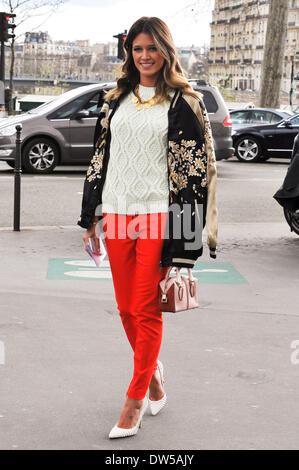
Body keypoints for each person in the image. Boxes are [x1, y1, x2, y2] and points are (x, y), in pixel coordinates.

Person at [78, 16, 218, 439]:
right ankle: (154, 377)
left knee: (146, 309)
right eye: (137, 49)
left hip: (159, 217)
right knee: (125, 309)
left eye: (151, 48)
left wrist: (185, 250)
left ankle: (135, 398)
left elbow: (193, 177)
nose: (144, 56)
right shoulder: (114, 98)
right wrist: (91, 217)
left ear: (165, 51)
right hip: (118, 214)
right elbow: (100, 160)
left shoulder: (183, 102)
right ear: (129, 53)